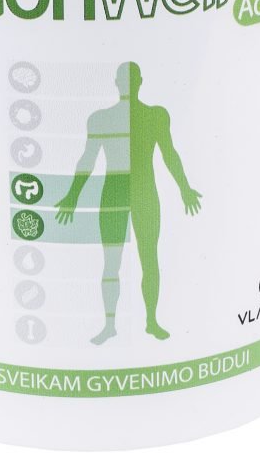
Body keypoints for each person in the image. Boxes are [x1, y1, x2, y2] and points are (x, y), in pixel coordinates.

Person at [56, 62, 201, 344]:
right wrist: (73, 195)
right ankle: (110, 325)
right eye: (125, 79)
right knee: (112, 261)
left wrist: (185, 188)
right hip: (115, 191)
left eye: (131, 78)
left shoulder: (156, 116)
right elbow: (88, 159)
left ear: (138, 82)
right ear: (118, 83)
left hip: (143, 190)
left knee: (149, 258)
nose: (128, 83)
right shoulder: (100, 119)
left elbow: (169, 154)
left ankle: (151, 321)